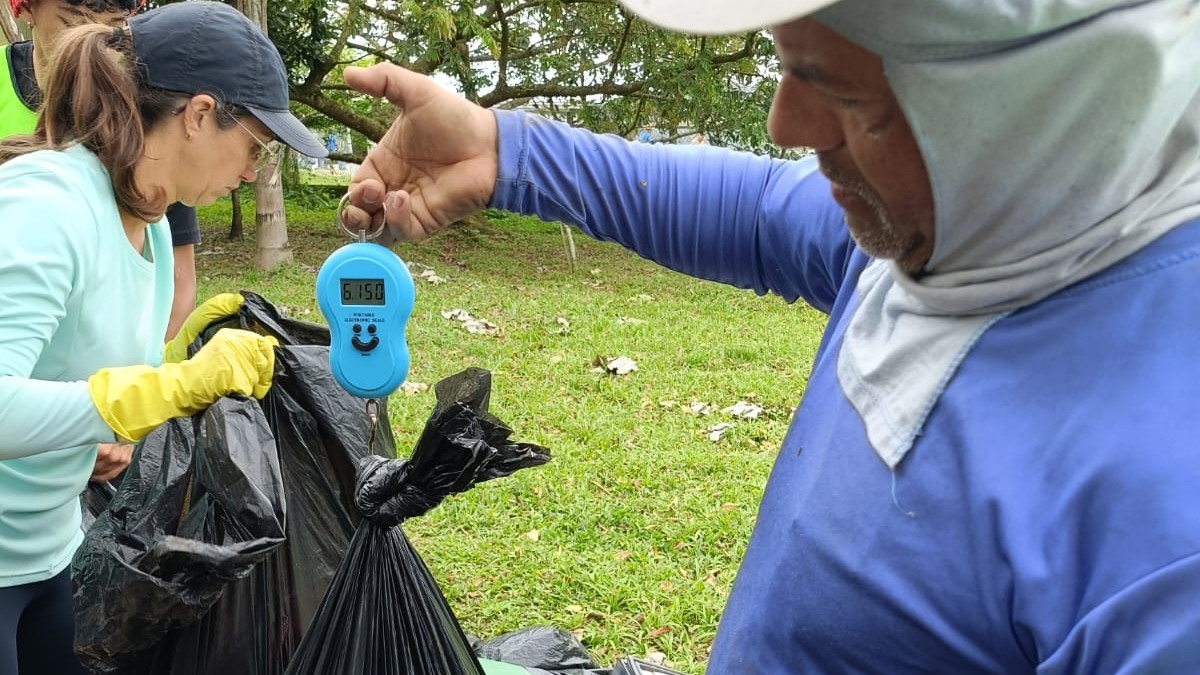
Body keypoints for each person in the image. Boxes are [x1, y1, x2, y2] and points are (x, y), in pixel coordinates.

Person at [341, 0, 1200, 672]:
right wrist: (503, 150)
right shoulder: (962, 227)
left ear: (1038, 109)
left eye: (845, 95)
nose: (786, 125)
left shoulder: (1163, 536)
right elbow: (752, 209)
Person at [0, 2, 327, 672]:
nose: (249, 172)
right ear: (200, 114)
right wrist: (167, 388)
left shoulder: (148, 222)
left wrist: (177, 359)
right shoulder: (47, 206)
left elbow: (75, 373)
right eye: (256, 146)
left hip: (50, 550)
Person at [3, 0, 207, 483]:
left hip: (68, 471)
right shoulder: (39, 197)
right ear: (26, 8)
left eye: (114, 26)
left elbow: (171, 290)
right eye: (73, 18)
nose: (93, 37)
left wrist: (119, 417)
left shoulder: (153, 152)